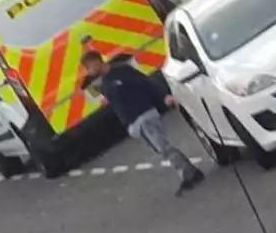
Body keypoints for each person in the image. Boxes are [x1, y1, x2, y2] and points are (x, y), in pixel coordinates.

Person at [82, 51, 206, 195]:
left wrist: (164, 96)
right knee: (160, 149)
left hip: (144, 114)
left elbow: (146, 82)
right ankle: (187, 172)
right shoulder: (105, 82)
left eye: (88, 67)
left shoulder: (121, 70)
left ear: (96, 62)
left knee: (163, 147)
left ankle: (191, 174)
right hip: (135, 122)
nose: (88, 72)